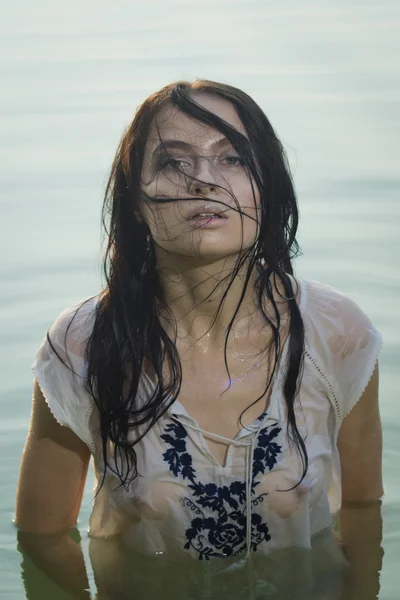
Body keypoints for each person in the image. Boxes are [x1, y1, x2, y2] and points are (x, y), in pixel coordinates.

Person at [15, 80, 384, 598]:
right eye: (173, 162)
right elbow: (43, 538)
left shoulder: (336, 333)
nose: (205, 180)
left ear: (269, 187)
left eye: (233, 158)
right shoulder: (80, 346)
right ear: (136, 201)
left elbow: (365, 511)